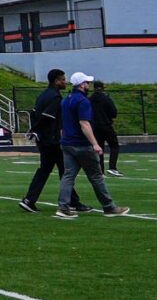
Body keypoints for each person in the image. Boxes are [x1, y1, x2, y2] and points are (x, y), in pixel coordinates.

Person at [54, 72, 125, 218]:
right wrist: (95, 144)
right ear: (82, 85)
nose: (89, 85)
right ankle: (109, 206)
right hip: (81, 144)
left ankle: (63, 207)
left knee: (68, 176)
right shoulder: (83, 101)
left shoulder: (66, 100)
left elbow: (63, 123)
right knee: (96, 176)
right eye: (87, 82)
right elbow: (84, 123)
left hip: (67, 143)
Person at [19, 69, 67, 213]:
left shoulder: (43, 95)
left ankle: (29, 199)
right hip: (51, 140)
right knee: (64, 170)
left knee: (46, 170)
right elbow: (47, 117)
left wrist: (34, 130)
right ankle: (71, 201)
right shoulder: (55, 97)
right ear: (56, 81)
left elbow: (34, 113)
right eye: (63, 79)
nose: (65, 82)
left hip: (44, 139)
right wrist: (37, 130)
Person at [91, 78, 122, 173]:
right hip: (106, 125)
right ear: (102, 88)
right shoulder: (106, 98)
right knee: (114, 146)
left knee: (99, 148)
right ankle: (112, 167)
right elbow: (114, 113)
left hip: (95, 127)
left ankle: (100, 170)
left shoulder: (89, 99)